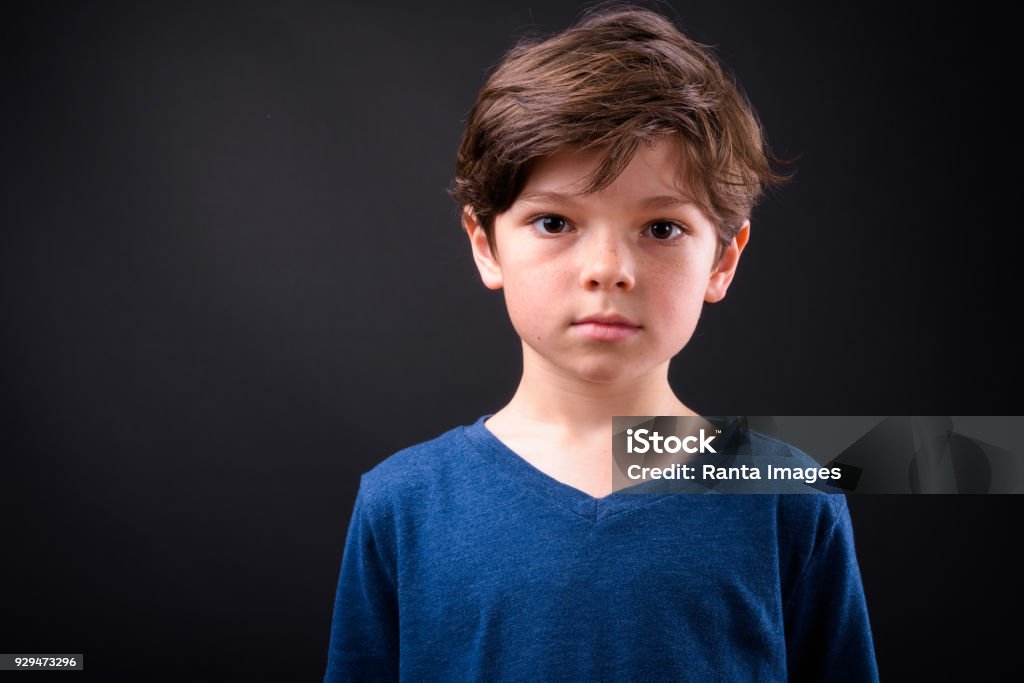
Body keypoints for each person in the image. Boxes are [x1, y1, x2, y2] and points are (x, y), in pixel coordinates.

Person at [324, 3, 878, 680]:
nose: (607, 269)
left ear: (724, 259)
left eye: (662, 228)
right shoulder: (402, 504)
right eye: (555, 221)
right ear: (486, 245)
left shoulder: (791, 499)